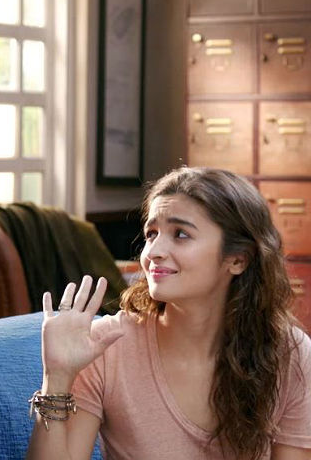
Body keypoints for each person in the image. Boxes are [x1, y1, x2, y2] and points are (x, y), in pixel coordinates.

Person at [27, 167, 311, 459]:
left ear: (238, 259)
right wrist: (56, 378)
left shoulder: (290, 353)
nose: (153, 252)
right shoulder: (105, 347)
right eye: (151, 234)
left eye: (181, 234)